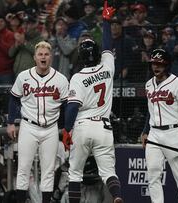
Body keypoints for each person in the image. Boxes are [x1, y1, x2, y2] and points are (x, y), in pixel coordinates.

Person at [62, 1, 124, 203]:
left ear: (81, 57)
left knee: (75, 174)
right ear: (97, 54)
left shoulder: (78, 77)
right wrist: (105, 21)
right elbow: (108, 45)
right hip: (104, 128)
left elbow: (72, 107)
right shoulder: (108, 67)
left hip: (82, 126)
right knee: (108, 172)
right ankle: (116, 196)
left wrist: (66, 130)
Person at [6, 41, 69, 203]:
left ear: (51, 58)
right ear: (34, 57)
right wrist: (11, 122)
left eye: (46, 54)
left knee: (48, 170)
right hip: (28, 126)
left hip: (51, 129)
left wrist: (68, 128)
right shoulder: (24, 76)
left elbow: (67, 106)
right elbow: (14, 99)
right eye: (40, 54)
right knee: (23, 168)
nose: (43, 57)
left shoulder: (61, 79)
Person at [140, 48, 178, 203]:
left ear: (167, 65)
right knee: (152, 176)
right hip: (154, 135)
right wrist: (145, 132)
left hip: (174, 133)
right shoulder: (148, 84)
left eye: (159, 64)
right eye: (153, 64)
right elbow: (150, 110)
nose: (156, 67)